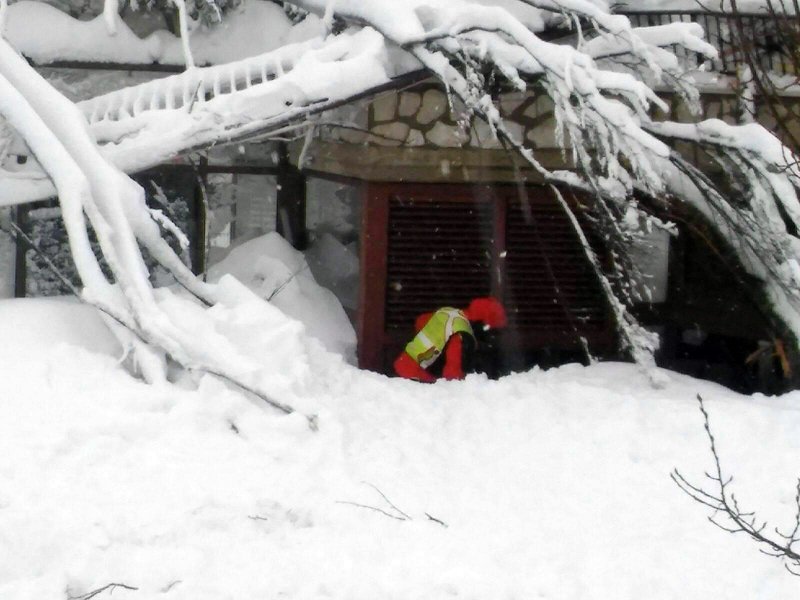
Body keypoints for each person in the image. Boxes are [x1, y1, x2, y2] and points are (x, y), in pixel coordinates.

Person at [393, 297, 508, 382]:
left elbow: (421, 321)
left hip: (403, 366)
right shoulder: (463, 334)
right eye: (493, 332)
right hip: (417, 377)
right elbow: (452, 374)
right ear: (483, 325)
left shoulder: (450, 313)